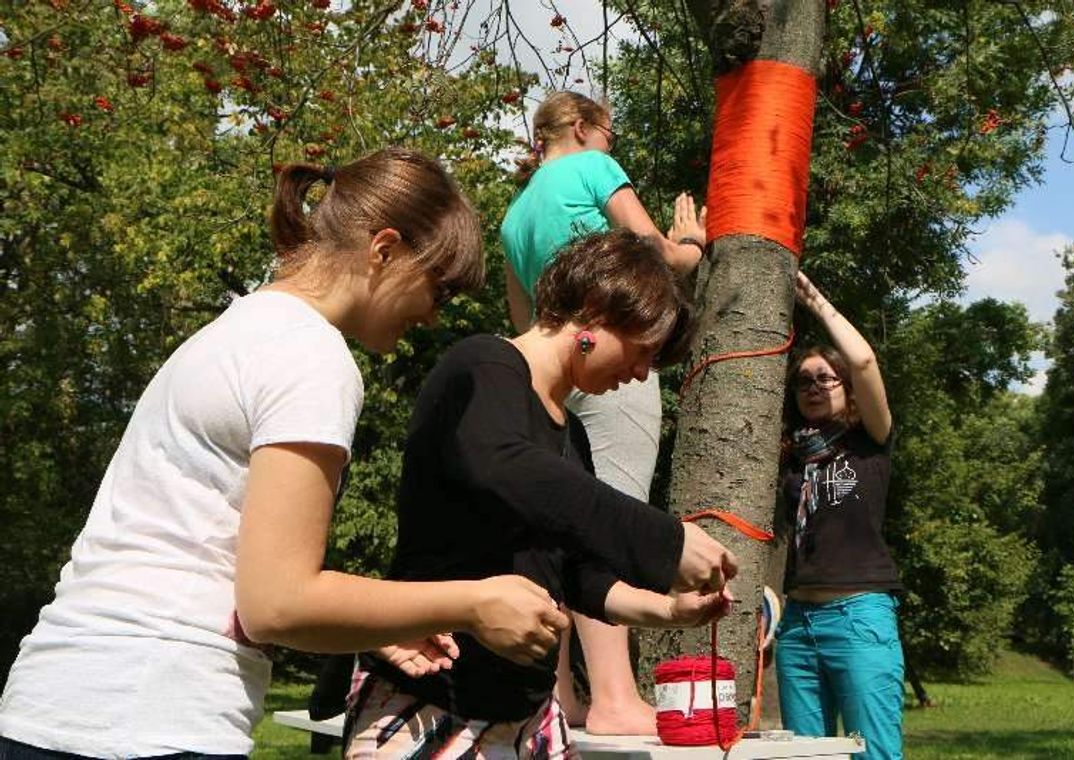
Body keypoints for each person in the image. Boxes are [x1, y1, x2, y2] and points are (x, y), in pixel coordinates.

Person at [0, 149, 572, 760]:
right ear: (383, 250)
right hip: (151, 714)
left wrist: (384, 625)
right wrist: (474, 601)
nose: (434, 315)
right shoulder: (312, 357)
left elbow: (214, 560)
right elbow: (277, 604)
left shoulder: (235, 331)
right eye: (437, 287)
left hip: (53, 704)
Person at [347, 230, 737, 758]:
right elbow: (505, 467)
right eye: (642, 350)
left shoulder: (571, 434)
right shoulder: (483, 366)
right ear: (596, 311)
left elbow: (577, 574)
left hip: (527, 717)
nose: (642, 372)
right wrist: (666, 543)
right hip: (428, 708)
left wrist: (668, 610)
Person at [499, 90, 706, 735]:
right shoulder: (591, 168)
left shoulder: (512, 214)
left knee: (551, 528)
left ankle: (558, 695)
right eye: (610, 133)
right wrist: (692, 247)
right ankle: (616, 698)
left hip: (554, 368)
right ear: (585, 128)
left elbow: (519, 317)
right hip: (610, 359)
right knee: (607, 517)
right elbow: (652, 253)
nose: (612, 146)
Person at [775, 272, 904, 760]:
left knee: (875, 753)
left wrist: (817, 304)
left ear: (846, 388)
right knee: (808, 756)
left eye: (824, 378)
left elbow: (865, 360)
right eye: (803, 381)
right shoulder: (793, 457)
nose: (812, 387)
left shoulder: (870, 440)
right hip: (798, 625)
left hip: (860, 616)